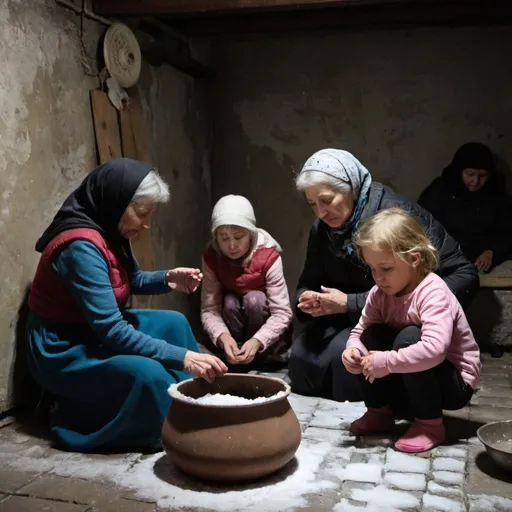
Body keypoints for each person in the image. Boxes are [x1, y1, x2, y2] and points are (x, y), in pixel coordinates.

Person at [26, 159, 227, 453]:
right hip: (62, 346)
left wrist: (167, 279)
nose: (146, 225)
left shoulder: (112, 229)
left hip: (92, 330)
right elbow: (112, 330)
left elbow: (130, 280)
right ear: (117, 202)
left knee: (173, 323)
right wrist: (182, 357)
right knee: (148, 375)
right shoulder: (80, 247)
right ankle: (75, 414)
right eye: (142, 214)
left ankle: (187, 403)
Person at [289, 148, 479, 402]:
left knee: (342, 359)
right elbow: (308, 281)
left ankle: (396, 403)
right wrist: (308, 299)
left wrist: (349, 302)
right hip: (360, 315)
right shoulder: (324, 228)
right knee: (302, 358)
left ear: (351, 188)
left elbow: (464, 274)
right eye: (312, 204)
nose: (321, 212)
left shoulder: (395, 216)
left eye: (327, 200)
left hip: (404, 315)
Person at [343, 208, 480, 453]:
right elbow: (359, 331)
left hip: (454, 384)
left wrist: (385, 361)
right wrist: (353, 352)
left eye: (386, 268)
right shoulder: (379, 294)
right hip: (410, 375)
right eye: (373, 269)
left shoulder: (433, 292)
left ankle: (430, 425)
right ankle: (379, 412)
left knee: (410, 338)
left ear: (415, 259)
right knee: (369, 337)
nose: (378, 278)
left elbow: (435, 350)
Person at [200, 195, 292, 367]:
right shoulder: (212, 256)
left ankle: (263, 358)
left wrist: (258, 340)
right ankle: (234, 352)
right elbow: (209, 309)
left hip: (263, 323)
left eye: (239, 236)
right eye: (224, 238)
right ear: (216, 237)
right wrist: (223, 337)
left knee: (255, 300)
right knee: (229, 302)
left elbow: (282, 312)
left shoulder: (268, 255)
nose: (232, 246)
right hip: (232, 318)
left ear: (251, 234)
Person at [418, 142, 512, 273]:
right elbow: (423, 224)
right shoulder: (440, 191)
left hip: (483, 262)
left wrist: (493, 252)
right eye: (470, 174)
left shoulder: (496, 195)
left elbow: (506, 230)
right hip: (444, 258)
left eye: (482, 176)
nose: (476, 181)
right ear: (459, 172)